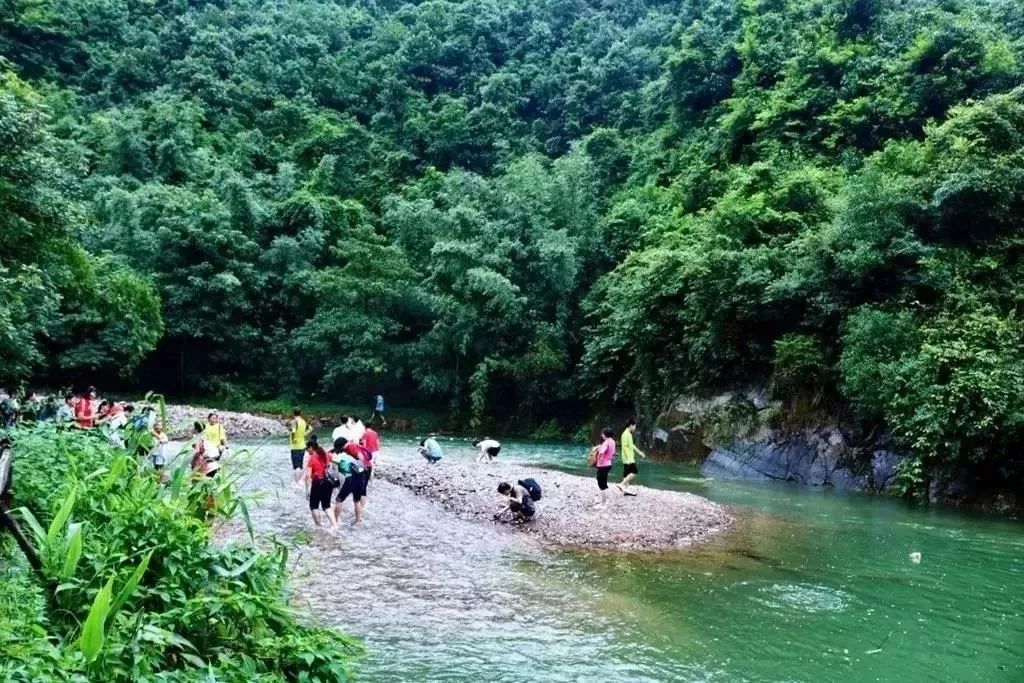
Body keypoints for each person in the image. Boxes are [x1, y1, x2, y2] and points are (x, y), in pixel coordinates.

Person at [331, 437, 366, 525]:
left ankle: (335, 522)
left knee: (339, 500)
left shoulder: (342, 456)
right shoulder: (350, 454)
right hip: (360, 477)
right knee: (357, 501)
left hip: (351, 479)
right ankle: (358, 521)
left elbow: (332, 459)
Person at [305, 437, 336, 528]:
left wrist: (307, 490)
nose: (307, 451)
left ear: (311, 447)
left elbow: (307, 476)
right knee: (327, 506)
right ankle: (334, 525)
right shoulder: (325, 454)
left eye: (307, 449)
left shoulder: (312, 458)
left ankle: (319, 526)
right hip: (328, 482)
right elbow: (334, 460)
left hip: (318, 483)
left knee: (314, 506)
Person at [617, 418, 647, 496]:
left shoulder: (628, 434)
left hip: (627, 457)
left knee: (626, 474)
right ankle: (621, 484)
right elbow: (624, 447)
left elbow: (632, 445)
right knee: (634, 471)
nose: (635, 428)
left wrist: (639, 452)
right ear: (631, 425)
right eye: (634, 426)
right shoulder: (625, 434)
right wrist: (629, 458)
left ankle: (626, 490)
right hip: (628, 458)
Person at [591, 428, 616, 506]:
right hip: (608, 464)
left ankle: (603, 504)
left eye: (602, 434)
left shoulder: (606, 443)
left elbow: (601, 452)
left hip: (603, 465)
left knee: (601, 484)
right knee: (604, 483)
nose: (601, 435)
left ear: (605, 435)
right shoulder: (612, 441)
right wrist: (598, 447)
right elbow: (607, 449)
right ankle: (605, 500)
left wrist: (598, 459)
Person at [287, 408, 308, 487]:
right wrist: (304, 434)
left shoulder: (294, 421)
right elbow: (310, 428)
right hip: (303, 445)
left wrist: (293, 439)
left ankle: (296, 483)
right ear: (300, 413)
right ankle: (300, 481)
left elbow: (293, 431)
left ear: (293, 413)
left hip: (295, 446)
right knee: (300, 464)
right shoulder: (303, 421)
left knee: (296, 466)